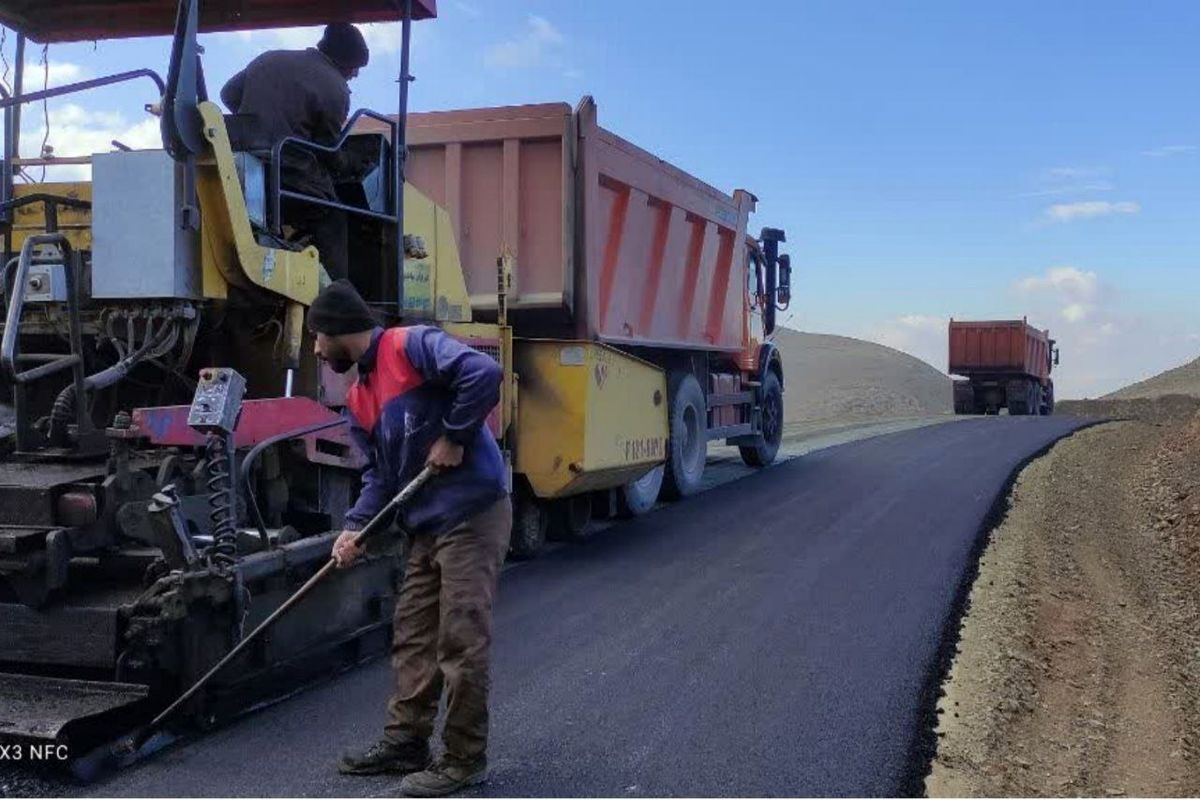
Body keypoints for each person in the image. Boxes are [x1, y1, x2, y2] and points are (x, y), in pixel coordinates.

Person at [307, 280, 512, 797]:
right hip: (423, 525)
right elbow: (378, 474)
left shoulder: (410, 344)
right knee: (413, 636)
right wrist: (355, 527)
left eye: (316, 338)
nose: (314, 349)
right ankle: (405, 742)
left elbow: (484, 373)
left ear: (336, 332)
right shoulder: (359, 397)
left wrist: (456, 434)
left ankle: (464, 759)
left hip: (471, 512)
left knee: (460, 638)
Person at [220, 24, 370, 281]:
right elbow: (328, 150)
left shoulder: (269, 58)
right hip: (289, 173)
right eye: (355, 67)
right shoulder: (335, 88)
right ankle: (338, 297)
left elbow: (228, 94)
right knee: (332, 216)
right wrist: (352, 164)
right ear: (343, 61)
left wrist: (256, 120)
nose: (355, 74)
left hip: (240, 166)